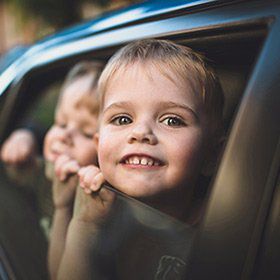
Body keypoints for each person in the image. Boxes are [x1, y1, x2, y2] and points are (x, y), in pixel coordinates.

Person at [58, 39, 224, 279]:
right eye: (123, 119)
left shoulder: (224, 233)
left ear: (212, 155)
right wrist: (84, 226)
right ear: (98, 146)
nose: (141, 132)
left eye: (172, 120)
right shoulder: (99, 213)